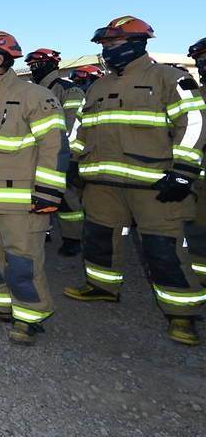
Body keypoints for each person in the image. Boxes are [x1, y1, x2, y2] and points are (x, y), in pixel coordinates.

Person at [64, 17, 206, 345]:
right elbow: (80, 129)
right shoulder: (97, 86)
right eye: (104, 47)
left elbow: (194, 124)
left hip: (156, 186)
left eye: (113, 45)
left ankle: (182, 314)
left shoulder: (171, 78)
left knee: (163, 249)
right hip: (102, 184)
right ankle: (103, 288)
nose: (107, 52)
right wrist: (73, 160)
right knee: (99, 238)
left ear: (138, 44)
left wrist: (184, 171)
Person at [0, 32, 68, 346]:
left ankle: (30, 317)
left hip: (21, 203)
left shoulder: (34, 96)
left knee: (23, 262)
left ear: (0, 59)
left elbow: (54, 148)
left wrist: (48, 193)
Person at [24, 48, 87, 256]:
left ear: (53, 65)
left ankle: (73, 238)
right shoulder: (30, 91)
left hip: (59, 152)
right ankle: (42, 232)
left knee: (66, 199)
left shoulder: (69, 89)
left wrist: (67, 157)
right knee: (35, 195)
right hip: (31, 154)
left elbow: (73, 125)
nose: (34, 69)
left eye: (38, 65)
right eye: (31, 65)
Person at [186, 37, 206, 287]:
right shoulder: (194, 94)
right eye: (200, 60)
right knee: (198, 235)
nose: (203, 64)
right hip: (198, 182)